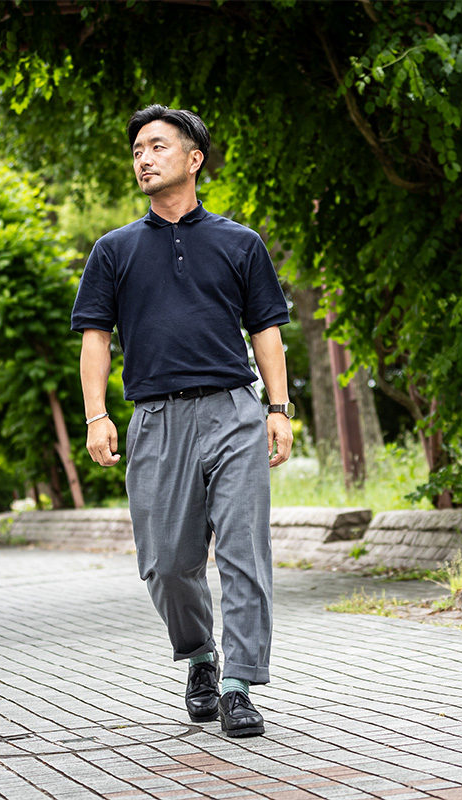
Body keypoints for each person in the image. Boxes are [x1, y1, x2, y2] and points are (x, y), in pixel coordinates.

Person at [71, 104, 293, 738]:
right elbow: (94, 338)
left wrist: (277, 410)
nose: (143, 157)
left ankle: (239, 684)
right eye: (137, 148)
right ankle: (199, 656)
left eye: (157, 146)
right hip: (156, 419)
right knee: (167, 561)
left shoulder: (239, 243)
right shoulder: (113, 251)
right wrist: (97, 415)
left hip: (233, 411)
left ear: (193, 160)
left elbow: (267, 331)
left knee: (246, 551)